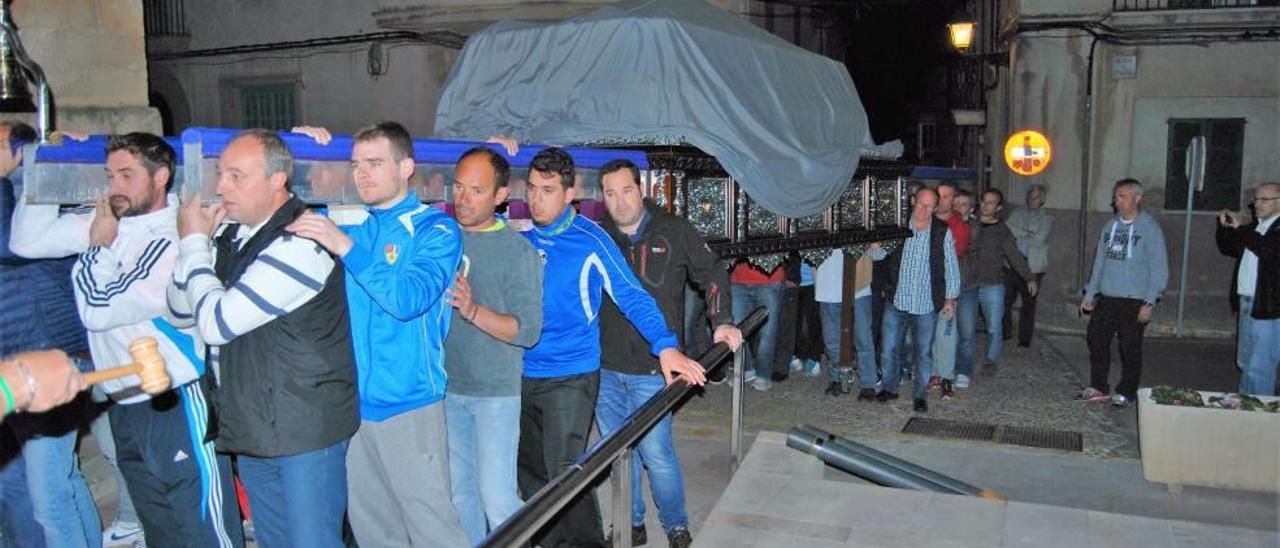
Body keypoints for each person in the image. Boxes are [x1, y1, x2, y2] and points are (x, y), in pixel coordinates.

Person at [13, 132, 243, 548]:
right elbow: (25, 242)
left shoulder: (172, 232)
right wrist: (51, 163)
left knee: (204, 529)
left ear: (161, 177)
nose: (114, 187)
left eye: (126, 175)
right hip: (124, 402)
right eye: (108, 175)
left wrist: (98, 248)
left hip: (175, 398)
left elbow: (99, 308)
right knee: (161, 532)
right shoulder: (108, 220)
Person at [168, 129, 359, 547]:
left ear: (277, 180)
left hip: (303, 428)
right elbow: (181, 310)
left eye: (236, 176)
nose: (220, 187)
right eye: (221, 174)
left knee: (313, 542)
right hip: (255, 424)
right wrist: (197, 246)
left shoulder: (301, 240)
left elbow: (215, 322)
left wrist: (195, 244)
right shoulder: (235, 237)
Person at [287, 123, 469, 546]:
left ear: (406, 167)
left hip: (409, 404)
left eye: (374, 163)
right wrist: (306, 149)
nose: (361, 174)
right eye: (355, 164)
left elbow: (407, 299)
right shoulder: (356, 228)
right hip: (353, 409)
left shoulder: (435, 230)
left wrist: (345, 247)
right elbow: (284, 210)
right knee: (373, 534)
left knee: (434, 530)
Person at [516, 146, 705, 548]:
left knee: (566, 472)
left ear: (570, 194)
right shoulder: (523, 238)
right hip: (525, 372)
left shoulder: (591, 239)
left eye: (547, 190)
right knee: (531, 474)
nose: (536, 198)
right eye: (531, 188)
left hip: (571, 375)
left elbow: (632, 295)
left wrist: (665, 344)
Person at [596, 159, 741, 548]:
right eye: (610, 193)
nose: (619, 201)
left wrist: (721, 320)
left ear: (640, 189)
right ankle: (631, 523)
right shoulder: (597, 237)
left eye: (626, 190)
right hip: (605, 368)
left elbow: (711, 272)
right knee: (617, 455)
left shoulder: (674, 230)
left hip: (654, 369)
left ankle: (675, 524)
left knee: (656, 454)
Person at [0, 121, 102, 548]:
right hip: (19, 354)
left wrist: (54, 155)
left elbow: (13, 246)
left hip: (46, 356)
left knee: (46, 495)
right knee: (39, 486)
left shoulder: (25, 195)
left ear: (20, 150)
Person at [440, 146, 543, 544]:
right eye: (458, 187)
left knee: (498, 499)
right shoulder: (443, 239)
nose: (463, 199)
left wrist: (473, 309)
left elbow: (528, 331)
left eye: (476, 191)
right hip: (448, 389)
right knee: (459, 495)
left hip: (495, 394)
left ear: (501, 196)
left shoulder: (518, 253)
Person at [869, 187, 960, 413]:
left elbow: (950, 266)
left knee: (923, 352)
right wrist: (874, 247)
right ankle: (890, 388)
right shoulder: (898, 227)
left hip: (926, 304)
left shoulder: (941, 231)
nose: (923, 209)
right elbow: (879, 255)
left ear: (936, 208)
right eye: (920, 203)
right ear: (912, 201)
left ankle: (920, 394)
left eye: (929, 206)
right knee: (889, 348)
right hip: (897, 300)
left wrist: (951, 298)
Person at [1080, 178, 1169, 408]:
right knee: (1096, 339)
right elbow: (1099, 262)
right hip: (1108, 298)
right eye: (1116, 196)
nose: (1116, 200)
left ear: (1137, 198)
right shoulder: (1110, 227)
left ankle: (1126, 391)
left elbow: (1158, 267)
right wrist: (1090, 294)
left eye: (1122, 196)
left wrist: (1149, 302)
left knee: (1129, 348)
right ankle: (1099, 386)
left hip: (1134, 299)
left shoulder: (1149, 228)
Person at [964, 189, 1037, 381]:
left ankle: (990, 361)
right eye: (984, 201)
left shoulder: (1002, 230)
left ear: (998, 207)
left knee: (994, 326)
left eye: (991, 202)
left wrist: (1028, 276)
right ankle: (964, 363)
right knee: (966, 327)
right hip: (968, 284)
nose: (987, 205)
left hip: (992, 284)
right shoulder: (969, 224)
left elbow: (1014, 255)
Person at [1217, 182, 1280, 396]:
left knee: (1260, 365)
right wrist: (1224, 227)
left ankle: (1260, 413)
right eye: (1255, 199)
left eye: (1264, 199)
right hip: (1247, 301)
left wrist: (1240, 228)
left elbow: (1267, 250)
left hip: (1267, 305)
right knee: (1245, 361)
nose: (1257, 204)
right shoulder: (1256, 226)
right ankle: (1245, 407)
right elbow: (1229, 248)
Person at [929, 181, 971, 399]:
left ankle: (946, 376)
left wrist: (951, 296)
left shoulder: (959, 227)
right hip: (926, 286)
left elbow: (952, 259)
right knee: (929, 333)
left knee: (946, 333)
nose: (941, 199)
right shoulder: (927, 220)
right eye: (939, 194)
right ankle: (933, 372)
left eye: (946, 196)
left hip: (946, 287)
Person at [815, 250, 876, 399]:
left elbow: (878, 252)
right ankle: (838, 378)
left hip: (857, 285)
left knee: (863, 338)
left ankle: (868, 384)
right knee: (831, 340)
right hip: (827, 283)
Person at [1005, 184, 1053, 347]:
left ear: (1042, 200)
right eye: (1031, 196)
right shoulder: (1017, 213)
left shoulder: (1047, 218)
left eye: (1037, 197)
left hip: (1033, 265)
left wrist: (1020, 235)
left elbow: (1039, 240)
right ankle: (1005, 333)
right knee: (1006, 300)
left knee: (1028, 303)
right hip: (1012, 263)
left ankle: (1024, 339)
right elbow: (1008, 231)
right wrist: (1027, 234)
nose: (1033, 200)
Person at [730, 260, 786, 391]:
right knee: (737, 330)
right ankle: (746, 368)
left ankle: (763, 374)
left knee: (767, 333)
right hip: (738, 280)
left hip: (770, 280)